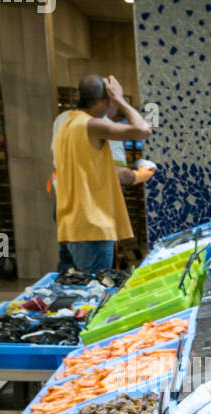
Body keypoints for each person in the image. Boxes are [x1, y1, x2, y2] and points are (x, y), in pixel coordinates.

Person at [52, 74, 153, 274]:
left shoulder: (66, 124)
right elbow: (143, 130)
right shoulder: (91, 124)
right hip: (92, 225)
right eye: (113, 102)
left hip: (73, 222)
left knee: (82, 290)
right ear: (106, 100)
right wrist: (121, 99)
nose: (115, 110)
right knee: (96, 293)